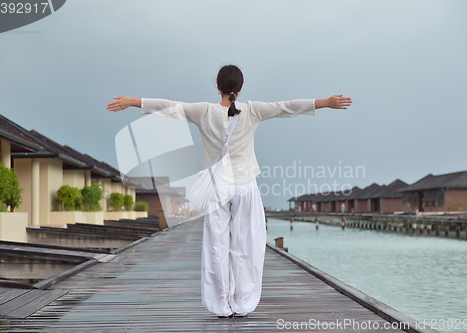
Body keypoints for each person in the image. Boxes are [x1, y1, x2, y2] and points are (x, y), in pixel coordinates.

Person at [106, 64, 352, 318]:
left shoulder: (203, 111)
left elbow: (169, 106)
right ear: (241, 87)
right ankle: (243, 304)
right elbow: (287, 107)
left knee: (217, 246)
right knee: (246, 245)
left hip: (216, 187)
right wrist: (326, 102)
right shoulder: (252, 110)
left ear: (217, 86)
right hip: (244, 187)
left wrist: (132, 101)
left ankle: (222, 305)